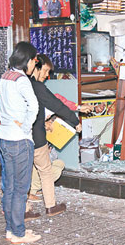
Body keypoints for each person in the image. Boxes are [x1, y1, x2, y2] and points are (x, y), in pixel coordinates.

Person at [26, 54, 93, 218]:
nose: (46, 75)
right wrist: (75, 120)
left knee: (23, 173)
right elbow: (56, 104)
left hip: (20, 137)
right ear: (36, 66)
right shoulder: (36, 86)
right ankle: (50, 206)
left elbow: (57, 101)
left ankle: (23, 209)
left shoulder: (22, 84)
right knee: (46, 171)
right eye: (46, 70)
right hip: (35, 137)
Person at [0, 41, 41, 243]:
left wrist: (7, 120)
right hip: (19, 140)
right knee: (21, 191)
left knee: (9, 188)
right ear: (28, 60)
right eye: (34, 61)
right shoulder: (21, 80)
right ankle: (19, 233)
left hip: (3, 136)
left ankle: (11, 230)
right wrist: (25, 126)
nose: (34, 65)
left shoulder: (5, 76)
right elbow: (35, 106)